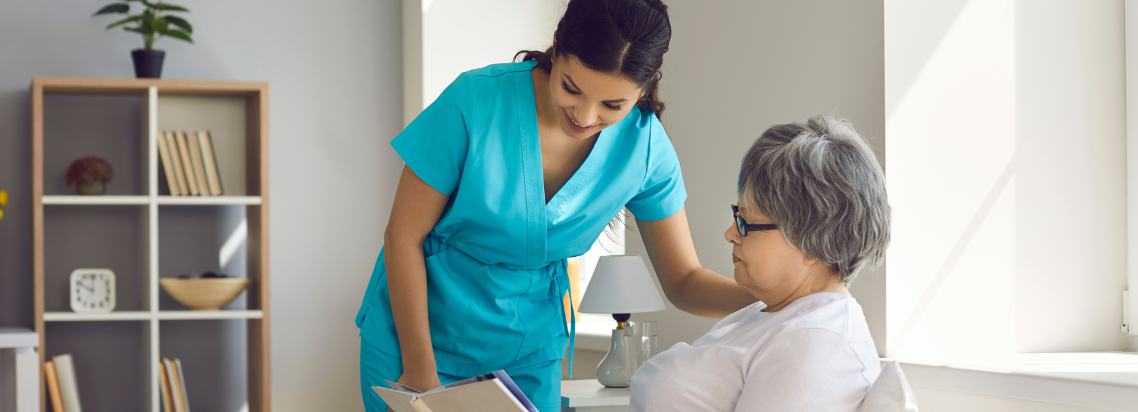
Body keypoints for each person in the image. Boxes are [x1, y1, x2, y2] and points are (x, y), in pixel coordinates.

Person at [354, 1, 757, 411]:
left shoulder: (646, 150)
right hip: (414, 340)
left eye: (612, 106)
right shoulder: (475, 101)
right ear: (556, 47)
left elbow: (684, 279)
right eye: (572, 88)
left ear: (645, 87)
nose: (584, 116)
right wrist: (420, 368)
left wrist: (770, 297)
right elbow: (402, 237)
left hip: (528, 350)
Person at [629, 116, 891, 412]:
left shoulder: (817, 344)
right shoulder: (771, 312)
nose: (730, 234)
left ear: (816, 243)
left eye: (747, 222)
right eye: (736, 216)